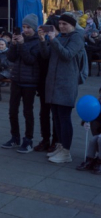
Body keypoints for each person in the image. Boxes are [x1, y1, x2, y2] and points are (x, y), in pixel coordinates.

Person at [39, 13, 86, 164]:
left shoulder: (76, 37)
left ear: (72, 25)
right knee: (57, 118)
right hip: (53, 84)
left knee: (64, 118)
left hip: (66, 83)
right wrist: (42, 40)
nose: (62, 26)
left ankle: (66, 151)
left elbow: (67, 55)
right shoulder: (59, 37)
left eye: (65, 24)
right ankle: (60, 146)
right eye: (60, 24)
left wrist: (53, 40)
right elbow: (46, 55)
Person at [1, 14, 41, 154]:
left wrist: (22, 44)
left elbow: (30, 60)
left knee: (27, 111)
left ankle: (28, 139)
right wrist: (12, 44)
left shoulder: (37, 42)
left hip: (29, 81)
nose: (26, 30)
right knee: (12, 110)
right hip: (16, 79)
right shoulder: (19, 40)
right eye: (24, 27)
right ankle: (15, 137)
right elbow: (11, 58)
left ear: (34, 28)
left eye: (28, 27)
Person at [76, 87, 101, 173]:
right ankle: (89, 159)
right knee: (94, 140)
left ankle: (100, 161)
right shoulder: (97, 105)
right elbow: (91, 113)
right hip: (99, 133)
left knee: (100, 139)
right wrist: (86, 122)